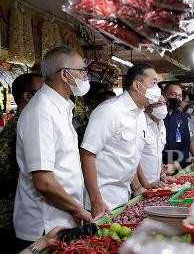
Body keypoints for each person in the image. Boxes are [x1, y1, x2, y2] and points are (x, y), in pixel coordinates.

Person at [14, 46, 93, 248]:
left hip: (63, 219)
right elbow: (44, 182)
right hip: (43, 226)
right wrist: (78, 209)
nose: (86, 77)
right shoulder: (41, 112)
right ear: (65, 75)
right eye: (82, 71)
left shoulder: (61, 108)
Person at [80, 63, 160, 218]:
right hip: (102, 201)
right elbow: (87, 154)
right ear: (137, 85)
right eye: (154, 83)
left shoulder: (140, 116)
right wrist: (96, 201)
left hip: (124, 197)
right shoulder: (110, 111)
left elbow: (131, 155)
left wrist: (139, 186)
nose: (157, 89)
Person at [0, 73, 44, 243]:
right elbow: (3, 171)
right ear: (27, 96)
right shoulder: (19, 125)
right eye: (43, 91)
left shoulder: (34, 120)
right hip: (12, 212)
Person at [163, 84, 191, 173]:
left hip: (178, 166)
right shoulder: (157, 115)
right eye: (173, 94)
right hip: (159, 166)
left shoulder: (182, 117)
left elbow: (186, 143)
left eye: (179, 96)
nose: (176, 98)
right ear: (164, 94)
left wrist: (177, 164)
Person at [140, 101, 167, 185]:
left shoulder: (162, 124)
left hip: (156, 183)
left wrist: (163, 175)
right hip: (141, 185)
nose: (163, 106)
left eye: (164, 103)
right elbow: (134, 159)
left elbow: (158, 153)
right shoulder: (140, 123)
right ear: (148, 108)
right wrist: (144, 184)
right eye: (159, 103)